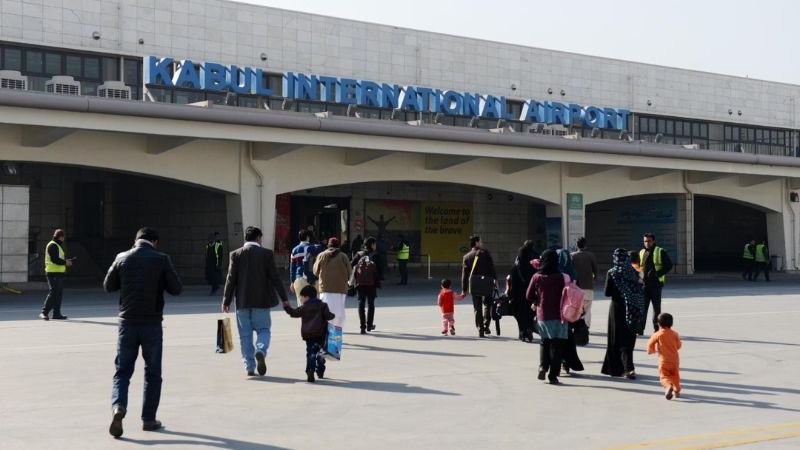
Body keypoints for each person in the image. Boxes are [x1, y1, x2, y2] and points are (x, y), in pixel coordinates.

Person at [104, 227, 182, 438]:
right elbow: (176, 288)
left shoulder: (122, 257)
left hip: (127, 324)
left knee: (122, 371)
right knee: (153, 372)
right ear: (155, 242)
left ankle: (118, 407)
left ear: (135, 240)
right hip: (152, 324)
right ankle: (148, 419)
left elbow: (108, 286)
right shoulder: (161, 259)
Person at [222, 226, 288, 377]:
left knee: (245, 335)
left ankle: (249, 367)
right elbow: (275, 278)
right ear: (259, 238)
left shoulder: (235, 254)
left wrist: (226, 300)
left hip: (242, 301)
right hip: (262, 301)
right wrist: (284, 298)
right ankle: (261, 350)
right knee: (263, 330)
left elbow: (231, 279)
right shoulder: (266, 254)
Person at [602, 249, 645, 380]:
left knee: (615, 338)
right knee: (628, 338)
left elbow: (607, 292)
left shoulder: (612, 273)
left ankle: (615, 368)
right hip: (631, 309)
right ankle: (629, 368)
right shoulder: (632, 272)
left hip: (616, 309)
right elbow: (639, 288)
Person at [526, 249, 567, 385]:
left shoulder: (537, 277)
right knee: (557, 344)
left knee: (545, 341)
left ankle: (543, 366)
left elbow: (528, 295)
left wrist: (536, 302)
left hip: (543, 314)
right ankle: (553, 376)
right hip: (559, 314)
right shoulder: (561, 277)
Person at [283, 285, 335, 383]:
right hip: (321, 335)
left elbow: (294, 313)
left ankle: (310, 370)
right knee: (321, 353)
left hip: (309, 335)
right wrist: (333, 315)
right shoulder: (323, 305)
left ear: (307, 297)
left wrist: (286, 307)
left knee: (310, 353)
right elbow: (328, 316)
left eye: (302, 297)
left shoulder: (304, 307)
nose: (301, 299)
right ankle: (320, 370)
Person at [460, 235, 497, 338]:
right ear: (476, 242)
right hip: (487, 283)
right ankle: (486, 325)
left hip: (475, 284)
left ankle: (480, 330)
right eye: (481, 241)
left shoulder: (466, 257)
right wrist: (495, 280)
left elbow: (465, 275)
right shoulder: (485, 253)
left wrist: (464, 289)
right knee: (488, 304)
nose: (482, 243)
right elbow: (491, 268)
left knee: (477, 307)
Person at [313, 237, 352, 329]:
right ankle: (337, 332)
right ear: (338, 245)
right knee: (339, 313)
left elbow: (315, 271)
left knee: (325, 311)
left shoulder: (321, 255)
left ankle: (326, 330)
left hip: (325, 289)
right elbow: (350, 272)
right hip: (340, 289)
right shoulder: (343, 256)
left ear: (328, 245)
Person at [640, 233, 673, 332]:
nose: (647, 243)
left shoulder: (660, 251)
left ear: (653, 241)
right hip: (644, 284)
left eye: (649, 241)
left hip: (656, 284)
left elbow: (669, 265)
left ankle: (657, 328)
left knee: (656, 309)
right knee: (643, 308)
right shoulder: (642, 252)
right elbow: (639, 267)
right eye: (645, 241)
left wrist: (657, 273)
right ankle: (640, 328)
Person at [506, 240, 538, 342]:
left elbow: (511, 284)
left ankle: (523, 332)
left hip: (518, 297)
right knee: (530, 314)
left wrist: (511, 296)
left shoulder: (515, 268)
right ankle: (529, 330)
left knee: (520, 315)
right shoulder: (535, 266)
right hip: (531, 297)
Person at [647, 313, 682, 400]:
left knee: (664, 376)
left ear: (659, 324)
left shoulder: (658, 334)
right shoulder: (675, 334)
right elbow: (679, 345)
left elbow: (650, 343)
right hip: (674, 360)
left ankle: (668, 386)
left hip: (663, 360)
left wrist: (651, 350)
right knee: (675, 375)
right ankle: (676, 390)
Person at [40, 228, 73, 321]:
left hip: (58, 273)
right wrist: (65, 262)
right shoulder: (53, 245)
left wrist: (65, 261)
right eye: (63, 237)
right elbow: (55, 259)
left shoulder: (56, 245)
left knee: (58, 294)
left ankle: (56, 313)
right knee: (54, 292)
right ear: (61, 237)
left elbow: (58, 258)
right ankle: (44, 312)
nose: (63, 239)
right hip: (52, 273)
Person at [351, 237, 381, 334]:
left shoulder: (359, 254)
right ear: (372, 244)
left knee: (361, 304)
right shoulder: (375, 256)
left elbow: (352, 265)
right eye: (375, 244)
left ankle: (362, 327)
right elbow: (380, 270)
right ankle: (369, 325)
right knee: (371, 304)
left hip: (360, 284)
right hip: (371, 284)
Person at [571, 237, 598, 328]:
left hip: (576, 287)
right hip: (588, 287)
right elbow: (595, 270)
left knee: (577, 309)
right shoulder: (591, 255)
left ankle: (577, 327)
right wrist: (594, 279)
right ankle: (586, 328)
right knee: (587, 309)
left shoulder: (572, 256)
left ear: (576, 245)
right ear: (585, 245)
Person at [289, 230, 316, 306]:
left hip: (299, 278)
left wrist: (292, 282)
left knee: (302, 304)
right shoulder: (313, 247)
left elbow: (292, 267)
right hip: (312, 278)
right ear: (308, 237)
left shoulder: (294, 250)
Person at [205, 232, 224, 296]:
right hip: (209, 264)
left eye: (211, 239)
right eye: (209, 239)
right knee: (209, 277)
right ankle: (215, 287)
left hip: (215, 264)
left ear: (213, 239)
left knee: (214, 277)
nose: (210, 240)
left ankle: (215, 288)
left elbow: (220, 256)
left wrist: (218, 264)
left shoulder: (218, 245)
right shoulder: (208, 245)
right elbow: (207, 255)